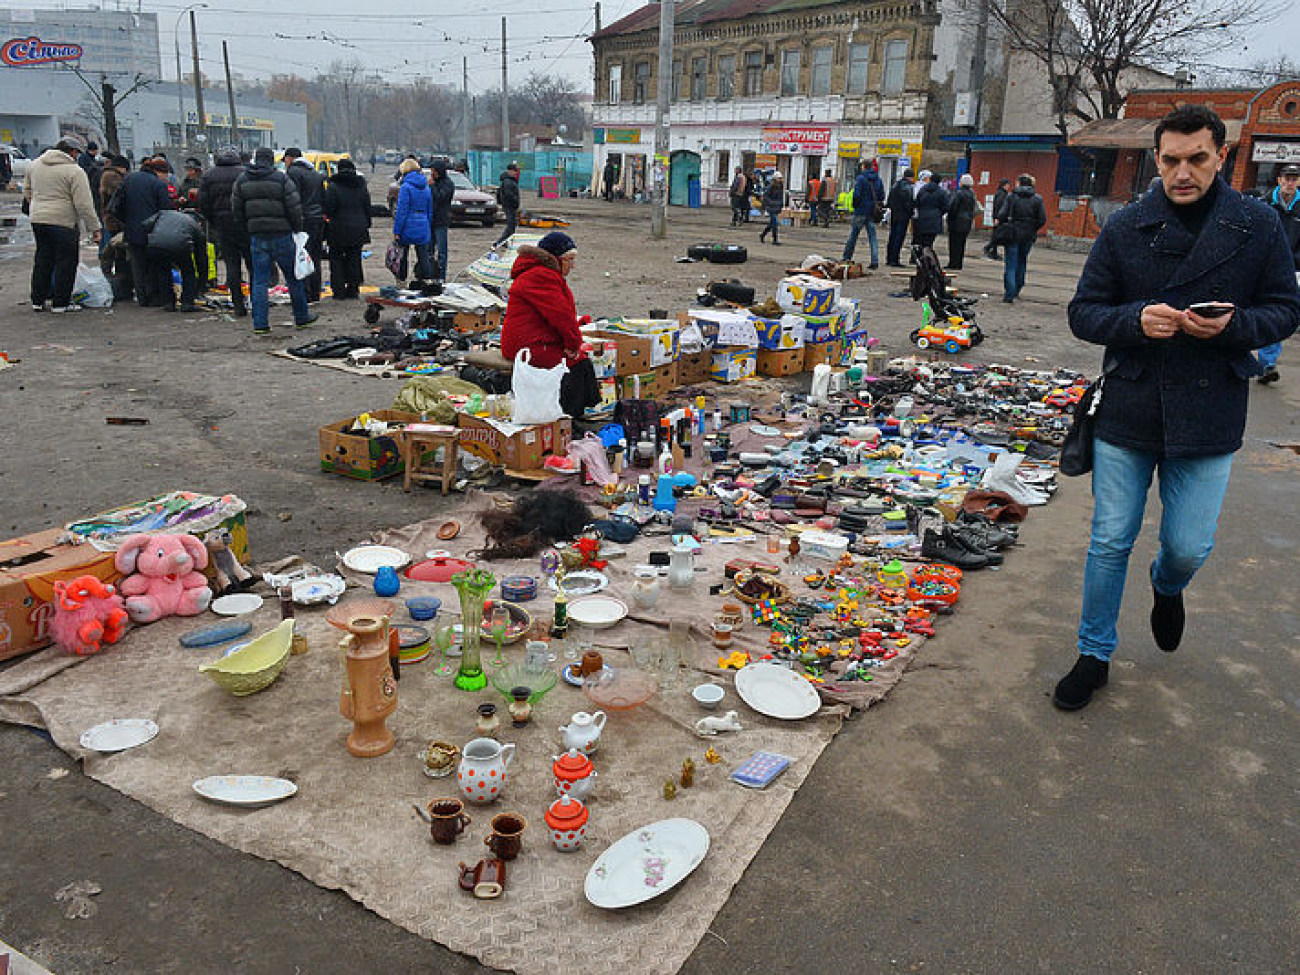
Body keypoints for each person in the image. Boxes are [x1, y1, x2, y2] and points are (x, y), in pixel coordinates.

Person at [1052, 104, 1300, 711]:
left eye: (1196, 159)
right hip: (1130, 405)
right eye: (1170, 160)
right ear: (1155, 159)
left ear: (1222, 156)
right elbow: (1085, 312)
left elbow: (1286, 309)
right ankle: (1094, 653)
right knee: (1110, 539)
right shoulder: (1126, 225)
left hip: (1209, 409)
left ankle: (1167, 585)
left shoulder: (1258, 225)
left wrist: (1237, 325)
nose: (1182, 172)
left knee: (1189, 545)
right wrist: (1133, 320)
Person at [500, 231, 598, 419]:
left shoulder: (541, 274)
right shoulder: (541, 276)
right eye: (569, 259)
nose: (572, 265)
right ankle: (566, 417)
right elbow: (560, 316)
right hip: (527, 346)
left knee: (580, 360)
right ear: (557, 259)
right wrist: (572, 344)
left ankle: (569, 416)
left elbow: (559, 315)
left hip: (533, 339)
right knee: (577, 364)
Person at [231, 145, 316, 335]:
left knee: (259, 281)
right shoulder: (282, 179)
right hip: (282, 235)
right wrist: (297, 229)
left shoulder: (242, 180)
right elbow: (294, 207)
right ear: (271, 160)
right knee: (293, 278)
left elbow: (236, 210)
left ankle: (260, 323)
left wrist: (247, 228)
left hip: (258, 237)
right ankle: (302, 317)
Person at [23, 135, 101, 313]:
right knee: (66, 262)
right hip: (63, 221)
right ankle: (61, 303)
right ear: (72, 152)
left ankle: (38, 300)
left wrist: (37, 206)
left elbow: (27, 191)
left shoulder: (35, 165)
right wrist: (94, 227)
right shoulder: (74, 171)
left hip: (38, 219)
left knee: (43, 259)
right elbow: (83, 203)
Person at [1257, 163, 1300, 384]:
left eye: (1294, 178)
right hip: (1263, 265)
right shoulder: (1265, 205)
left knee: (1279, 312)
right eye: (1287, 178)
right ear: (1279, 180)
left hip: (1293, 269)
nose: (1290, 182)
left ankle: (1267, 363)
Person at [200, 145, 253, 316]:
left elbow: (204, 203)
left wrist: (213, 220)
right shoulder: (244, 173)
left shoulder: (209, 175)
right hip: (244, 224)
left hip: (222, 224)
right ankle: (257, 302)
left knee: (232, 265)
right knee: (253, 265)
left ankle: (238, 305)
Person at [118, 157, 173, 307]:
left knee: (137, 265)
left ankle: (142, 297)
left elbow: (116, 204)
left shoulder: (129, 179)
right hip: (153, 231)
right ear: (159, 171)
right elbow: (166, 209)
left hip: (132, 230)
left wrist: (126, 221)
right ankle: (155, 297)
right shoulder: (158, 184)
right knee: (155, 265)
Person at [322, 158, 371, 300]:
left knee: (336, 259)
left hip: (338, 228)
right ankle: (353, 289)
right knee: (354, 259)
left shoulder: (333, 186)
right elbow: (367, 206)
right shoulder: (361, 185)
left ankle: (338, 291)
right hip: (358, 227)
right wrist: (367, 223)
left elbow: (329, 207)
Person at [282, 148, 325, 301]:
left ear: (291, 158)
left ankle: (305, 293)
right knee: (315, 258)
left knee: (301, 257)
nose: (285, 163)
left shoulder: (293, 173)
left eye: (285, 159)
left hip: (303, 220)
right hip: (318, 220)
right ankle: (315, 292)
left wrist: (293, 222)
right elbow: (322, 198)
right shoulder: (315, 173)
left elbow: (293, 200)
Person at [998, 173, 1047, 302]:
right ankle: (1017, 289)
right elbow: (1042, 219)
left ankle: (1009, 293)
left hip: (1013, 233)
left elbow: (1002, 214)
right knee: (1022, 261)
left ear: (1019, 183)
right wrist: (1032, 227)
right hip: (1028, 235)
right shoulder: (1038, 199)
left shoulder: (1011, 197)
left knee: (1010, 264)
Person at [144, 207, 204, 312]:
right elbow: (201, 258)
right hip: (179, 246)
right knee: (188, 272)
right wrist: (202, 281)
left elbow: (146, 224)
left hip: (156, 244)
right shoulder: (195, 226)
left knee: (163, 271)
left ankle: (168, 303)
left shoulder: (165, 213)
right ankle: (187, 303)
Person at [97, 154, 133, 302]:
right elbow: (120, 197)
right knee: (118, 254)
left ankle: (121, 288)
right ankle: (121, 289)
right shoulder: (112, 177)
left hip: (112, 221)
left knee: (116, 254)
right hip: (115, 222)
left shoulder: (108, 175)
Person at [391, 157, 433, 282]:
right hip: (423, 223)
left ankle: (401, 280)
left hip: (408, 224)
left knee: (402, 255)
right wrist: (427, 225)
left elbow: (401, 211)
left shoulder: (405, 187)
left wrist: (397, 231)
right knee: (423, 254)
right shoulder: (426, 187)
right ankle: (425, 279)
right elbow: (429, 209)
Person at [842, 159, 885, 269]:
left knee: (853, 235)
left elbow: (856, 195)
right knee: (872, 237)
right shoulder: (878, 179)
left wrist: (856, 206)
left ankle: (847, 257)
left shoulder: (861, 179)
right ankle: (874, 261)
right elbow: (882, 196)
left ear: (864, 167)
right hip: (871, 212)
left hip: (860, 211)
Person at [178, 156, 211, 294]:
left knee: (203, 250)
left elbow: (208, 198)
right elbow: (179, 195)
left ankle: (205, 281)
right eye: (188, 169)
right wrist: (181, 200)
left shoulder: (204, 182)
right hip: (187, 215)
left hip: (201, 217)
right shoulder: (184, 183)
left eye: (192, 169)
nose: (189, 172)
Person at [428, 158, 454, 281]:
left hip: (441, 222)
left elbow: (440, 197)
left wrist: (432, 186)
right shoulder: (432, 183)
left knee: (442, 252)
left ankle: (441, 277)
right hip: (430, 221)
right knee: (429, 251)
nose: (432, 173)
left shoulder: (447, 184)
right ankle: (429, 274)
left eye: (434, 171)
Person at [946, 173, 978, 270]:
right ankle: (959, 263)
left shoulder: (959, 194)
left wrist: (949, 219)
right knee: (961, 243)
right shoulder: (972, 194)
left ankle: (953, 263)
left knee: (954, 243)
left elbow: (953, 207)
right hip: (967, 221)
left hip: (957, 222)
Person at [884, 169, 916, 267]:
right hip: (903, 215)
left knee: (892, 236)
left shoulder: (895, 185)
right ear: (910, 177)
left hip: (894, 214)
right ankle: (895, 259)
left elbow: (889, 201)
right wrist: (911, 212)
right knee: (899, 237)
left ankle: (889, 258)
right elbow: (908, 202)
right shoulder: (907, 187)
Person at [911, 171, 948, 253]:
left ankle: (920, 259)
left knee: (920, 240)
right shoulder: (941, 192)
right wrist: (939, 213)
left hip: (922, 218)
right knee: (929, 242)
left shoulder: (922, 190)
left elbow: (917, 203)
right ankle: (927, 259)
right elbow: (946, 206)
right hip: (935, 219)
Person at [493, 162, 521, 249]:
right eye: (514, 171)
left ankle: (505, 241)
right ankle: (500, 242)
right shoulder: (508, 182)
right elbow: (508, 195)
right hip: (509, 206)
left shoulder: (510, 181)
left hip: (509, 206)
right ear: (510, 171)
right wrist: (515, 202)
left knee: (512, 225)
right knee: (511, 225)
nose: (516, 173)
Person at [983, 177, 1012, 259]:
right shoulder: (1002, 194)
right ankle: (990, 248)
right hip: (1000, 217)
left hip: (998, 217)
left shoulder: (1000, 193)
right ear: (1004, 185)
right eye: (1008, 185)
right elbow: (999, 206)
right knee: (998, 235)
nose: (1009, 186)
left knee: (997, 234)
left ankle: (992, 250)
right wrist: (997, 217)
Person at [758, 173, 785, 245]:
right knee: (775, 223)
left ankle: (763, 235)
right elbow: (766, 196)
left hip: (777, 206)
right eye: (779, 178)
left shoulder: (780, 186)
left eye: (781, 178)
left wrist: (781, 204)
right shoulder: (771, 186)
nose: (780, 179)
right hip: (771, 207)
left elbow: (780, 196)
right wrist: (771, 203)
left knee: (772, 224)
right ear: (775, 179)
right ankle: (775, 240)